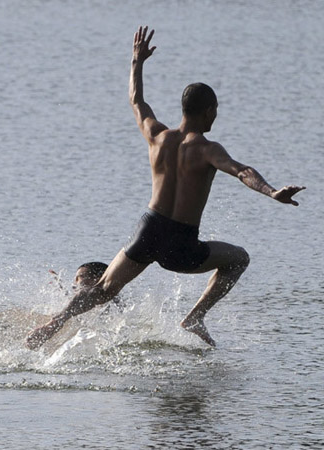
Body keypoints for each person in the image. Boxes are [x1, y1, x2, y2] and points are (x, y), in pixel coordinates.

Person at [26, 26, 305, 350]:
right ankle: (195, 317)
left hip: (148, 227)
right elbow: (242, 171)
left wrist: (137, 62)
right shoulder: (207, 148)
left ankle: (52, 325)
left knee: (102, 289)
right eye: (215, 111)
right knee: (239, 259)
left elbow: (136, 100)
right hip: (180, 244)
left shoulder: (157, 136)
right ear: (207, 111)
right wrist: (271, 192)